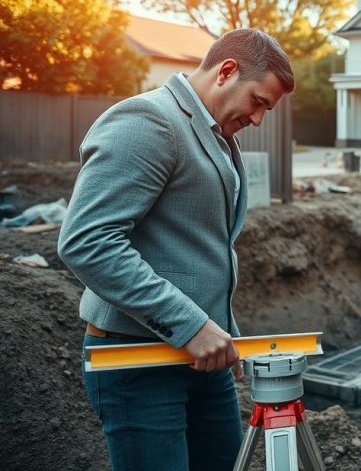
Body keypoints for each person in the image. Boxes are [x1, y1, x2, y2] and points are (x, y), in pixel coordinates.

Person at [57, 28, 293, 471]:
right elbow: (87, 241)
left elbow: (194, 246)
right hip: (140, 363)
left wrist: (220, 327)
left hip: (201, 360)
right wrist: (190, 325)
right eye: (259, 102)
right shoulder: (147, 121)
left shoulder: (215, 134)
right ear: (227, 71)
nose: (259, 119)